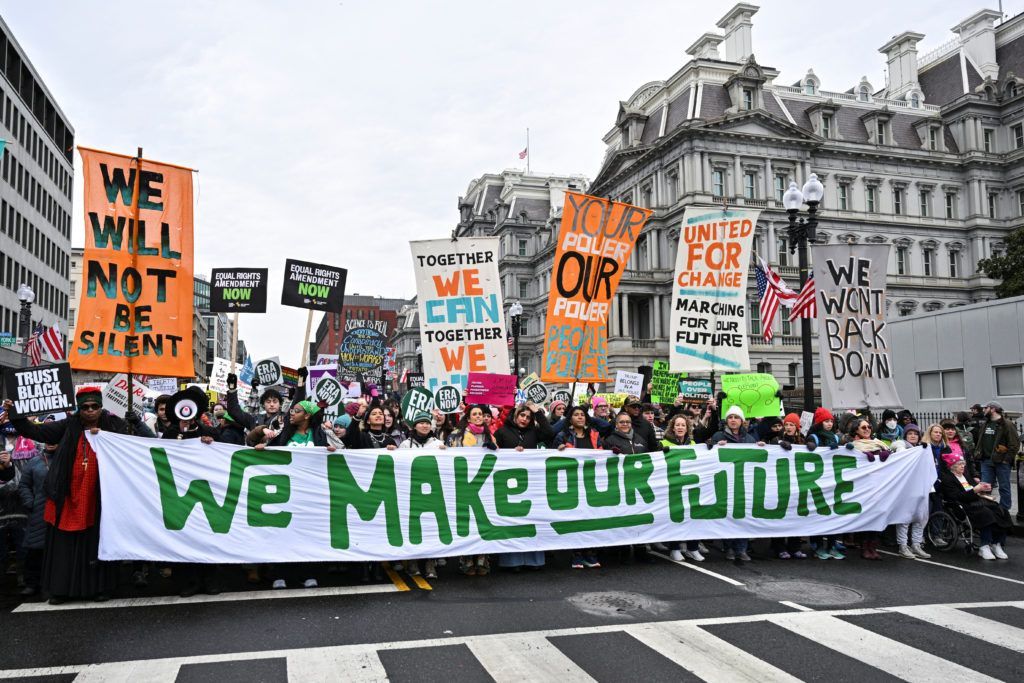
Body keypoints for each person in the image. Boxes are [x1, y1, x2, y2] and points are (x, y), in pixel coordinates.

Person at [3, 390, 152, 604]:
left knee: (97, 545)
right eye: (85, 407)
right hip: (67, 497)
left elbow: (136, 447)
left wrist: (134, 425)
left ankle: (100, 588)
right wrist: (16, 413)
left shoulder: (114, 424)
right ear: (78, 409)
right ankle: (61, 590)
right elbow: (35, 432)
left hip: (100, 498)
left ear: (101, 407)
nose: (90, 411)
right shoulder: (67, 426)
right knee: (65, 548)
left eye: (94, 406)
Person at [938, 452, 1011, 560]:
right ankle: (984, 545)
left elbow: (974, 488)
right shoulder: (948, 479)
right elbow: (957, 496)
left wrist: (983, 488)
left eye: (963, 464)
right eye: (959, 464)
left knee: (1001, 511)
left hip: (975, 500)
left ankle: (996, 543)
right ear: (952, 466)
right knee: (987, 514)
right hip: (962, 505)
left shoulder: (966, 475)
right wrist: (975, 490)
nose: (963, 466)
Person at [660, 415, 705, 563]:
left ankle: (693, 548)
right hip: (672, 487)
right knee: (676, 519)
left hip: (690, 486)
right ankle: (675, 548)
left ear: (687, 428)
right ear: (672, 427)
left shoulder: (693, 443)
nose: (680, 427)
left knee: (694, 517)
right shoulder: (663, 443)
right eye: (677, 425)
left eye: (683, 425)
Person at [17, 442, 53, 597]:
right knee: (35, 548)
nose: (52, 442)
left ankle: (53, 584)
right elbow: (24, 485)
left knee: (58, 549)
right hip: (39, 509)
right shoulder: (35, 461)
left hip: (62, 509)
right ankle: (32, 583)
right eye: (49, 439)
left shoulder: (67, 458)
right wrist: (29, 502)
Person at [976, 401, 1019, 513]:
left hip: (1001, 461)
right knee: (984, 487)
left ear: (993, 409)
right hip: (986, 461)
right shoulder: (985, 424)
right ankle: (986, 509)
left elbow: (1014, 444)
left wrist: (1006, 460)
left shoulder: (1007, 424)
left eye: (986, 408)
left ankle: (1004, 511)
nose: (984, 410)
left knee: (1004, 487)